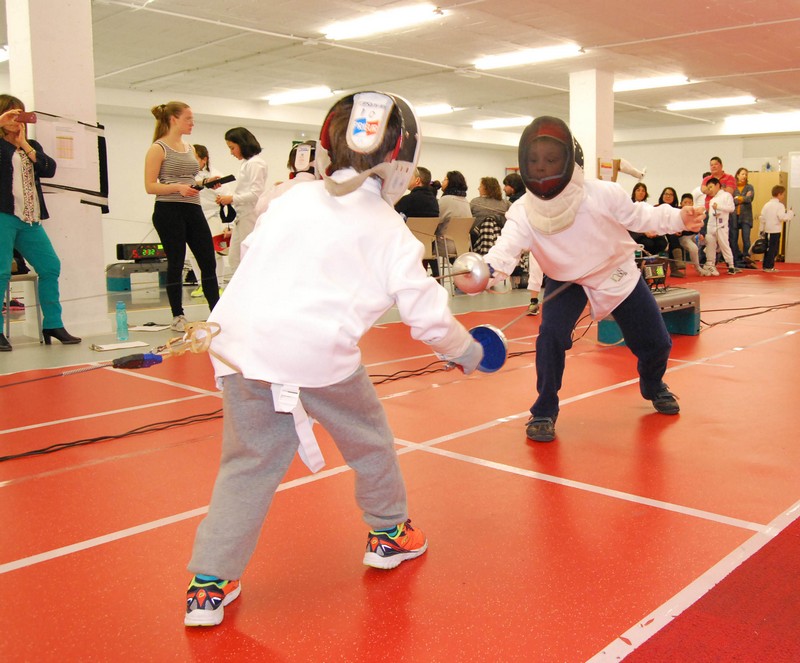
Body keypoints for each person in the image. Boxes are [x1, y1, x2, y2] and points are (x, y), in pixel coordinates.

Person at [183, 91, 483, 627]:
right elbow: (428, 317)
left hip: (237, 348)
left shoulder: (289, 199)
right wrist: (468, 352)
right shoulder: (390, 230)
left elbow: (252, 259)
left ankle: (209, 585)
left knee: (247, 466)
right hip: (317, 358)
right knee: (370, 444)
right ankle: (389, 534)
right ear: (401, 157)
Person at [483, 116, 704, 443]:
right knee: (550, 337)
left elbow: (643, 217)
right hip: (565, 279)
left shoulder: (604, 194)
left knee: (658, 342)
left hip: (615, 272)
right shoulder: (522, 211)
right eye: (534, 161)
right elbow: (504, 252)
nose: (542, 168)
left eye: (551, 160)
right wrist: (483, 271)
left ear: (571, 163)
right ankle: (544, 408)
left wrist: (678, 217)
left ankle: (653, 382)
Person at [0, 94, 81, 351]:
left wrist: (24, 143)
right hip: (3, 215)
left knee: (50, 267)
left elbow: (48, 168)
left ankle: (53, 324)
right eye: (11, 115)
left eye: (20, 114)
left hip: (30, 218)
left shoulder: (30, 144)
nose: (17, 120)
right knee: (1, 272)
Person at [144, 101, 220, 332]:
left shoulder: (189, 148)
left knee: (208, 261)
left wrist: (204, 183)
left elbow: (190, 181)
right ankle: (178, 315)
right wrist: (177, 187)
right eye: (188, 118)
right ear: (173, 119)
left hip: (192, 208)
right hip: (169, 211)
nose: (192, 123)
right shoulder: (158, 148)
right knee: (176, 262)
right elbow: (150, 186)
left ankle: (217, 310)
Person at [215, 127, 269, 276]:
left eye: (232, 148)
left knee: (246, 257)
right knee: (234, 258)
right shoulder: (248, 163)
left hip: (250, 215)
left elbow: (255, 193)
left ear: (242, 144)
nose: (231, 152)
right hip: (242, 216)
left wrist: (231, 199)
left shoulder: (255, 163)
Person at [189, 144, 231, 296]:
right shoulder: (188, 176)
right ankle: (201, 284)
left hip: (213, 217)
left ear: (204, 159)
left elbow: (226, 201)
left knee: (216, 253)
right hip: (194, 217)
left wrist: (228, 225)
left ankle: (218, 284)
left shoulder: (216, 175)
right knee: (192, 253)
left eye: (195, 159)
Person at [430, 170, 471, 277]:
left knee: (425, 243)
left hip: (446, 245)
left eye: (445, 179)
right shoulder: (465, 201)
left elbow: (435, 221)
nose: (442, 181)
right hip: (463, 244)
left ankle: (436, 276)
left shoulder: (445, 200)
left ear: (451, 182)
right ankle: (463, 272)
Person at [702, 177, 740, 276]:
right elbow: (710, 215)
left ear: (717, 185)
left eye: (711, 187)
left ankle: (731, 265)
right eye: (708, 188)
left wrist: (719, 208)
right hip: (711, 225)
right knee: (710, 244)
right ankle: (710, 264)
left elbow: (731, 208)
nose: (709, 190)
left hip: (721, 225)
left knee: (724, 244)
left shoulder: (726, 195)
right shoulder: (712, 200)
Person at [759, 185, 794, 272]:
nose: (783, 196)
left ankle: (766, 266)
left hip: (768, 230)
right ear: (779, 194)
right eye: (783, 195)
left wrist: (761, 230)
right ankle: (769, 266)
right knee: (772, 250)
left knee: (769, 249)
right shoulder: (780, 205)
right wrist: (790, 214)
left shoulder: (766, 205)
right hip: (774, 231)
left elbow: (762, 218)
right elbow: (782, 217)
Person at [470, 176, 510, 253]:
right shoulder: (507, 204)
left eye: (480, 186)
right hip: (502, 243)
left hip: (478, 243)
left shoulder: (474, 202)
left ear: (486, 188)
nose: (478, 188)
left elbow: (468, 223)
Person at [628, 182, 668, 256]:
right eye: (638, 190)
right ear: (634, 192)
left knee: (662, 242)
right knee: (648, 243)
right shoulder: (630, 206)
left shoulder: (648, 207)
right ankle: (645, 260)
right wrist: (644, 232)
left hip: (649, 232)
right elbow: (629, 224)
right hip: (636, 233)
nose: (641, 192)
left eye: (643, 190)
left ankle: (650, 259)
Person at [656, 187, 686, 278]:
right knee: (671, 237)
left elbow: (682, 224)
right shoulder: (656, 208)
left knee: (673, 237)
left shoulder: (677, 210)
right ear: (662, 196)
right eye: (666, 194)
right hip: (659, 233)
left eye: (671, 194)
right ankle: (676, 265)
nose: (668, 196)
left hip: (672, 234)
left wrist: (678, 230)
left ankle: (675, 268)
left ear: (674, 197)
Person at [731, 167, 755, 267]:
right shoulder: (733, 187)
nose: (744, 176)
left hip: (746, 216)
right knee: (733, 238)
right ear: (737, 175)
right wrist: (742, 198)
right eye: (742, 174)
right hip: (734, 216)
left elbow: (749, 199)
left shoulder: (750, 187)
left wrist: (739, 198)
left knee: (746, 238)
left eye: (746, 174)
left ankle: (747, 258)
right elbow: (732, 200)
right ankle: (735, 258)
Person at [678, 193, 704, 275]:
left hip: (694, 235)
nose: (688, 204)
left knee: (710, 239)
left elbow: (700, 225)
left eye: (690, 202)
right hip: (684, 237)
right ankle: (698, 268)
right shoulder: (678, 213)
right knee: (694, 248)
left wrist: (701, 234)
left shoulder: (695, 212)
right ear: (681, 203)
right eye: (685, 202)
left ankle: (710, 264)